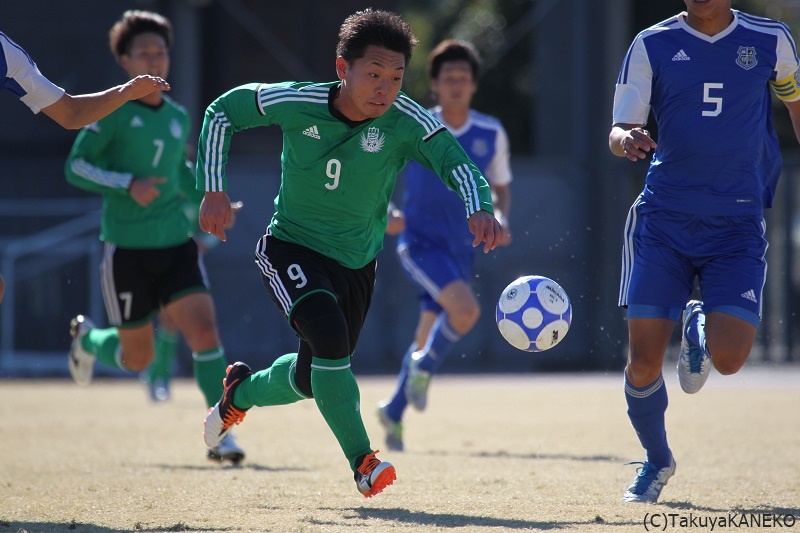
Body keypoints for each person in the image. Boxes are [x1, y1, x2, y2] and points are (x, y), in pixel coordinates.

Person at [197, 9, 504, 498]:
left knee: (310, 377)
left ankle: (241, 391)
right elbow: (222, 111)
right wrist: (211, 187)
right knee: (330, 338)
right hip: (290, 246)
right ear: (343, 68)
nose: (386, 88)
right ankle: (364, 462)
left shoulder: (406, 120)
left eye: (398, 77)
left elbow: (457, 162)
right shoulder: (298, 101)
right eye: (374, 75)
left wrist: (480, 207)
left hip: (357, 263)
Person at [609, 0, 800, 503]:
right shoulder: (652, 43)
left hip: (736, 225)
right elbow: (619, 127)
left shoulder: (771, 39)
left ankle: (696, 323)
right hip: (664, 221)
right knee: (644, 363)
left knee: (732, 359)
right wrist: (626, 138)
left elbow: (795, 104)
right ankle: (655, 461)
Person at [63, 10, 246, 464]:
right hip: (126, 251)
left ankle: (220, 433)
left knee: (204, 331)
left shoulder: (180, 116)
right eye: (143, 51)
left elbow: (179, 174)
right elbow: (76, 167)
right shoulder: (110, 114)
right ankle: (87, 340)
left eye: (161, 51)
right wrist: (128, 183)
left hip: (176, 245)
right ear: (125, 61)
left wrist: (213, 197)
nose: (154, 58)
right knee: (137, 358)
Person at [376, 39, 513, 451]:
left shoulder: (491, 132)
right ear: (434, 84)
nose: (456, 84)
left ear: (473, 85)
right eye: (447, 77)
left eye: (463, 78)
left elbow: (501, 189)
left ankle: (393, 411)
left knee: (426, 335)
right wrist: (389, 211)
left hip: (461, 250)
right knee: (466, 311)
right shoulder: (414, 126)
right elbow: (374, 171)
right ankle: (422, 369)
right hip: (419, 244)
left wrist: (502, 218)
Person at [0, 30, 169, 305]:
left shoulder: (4, 53)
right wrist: (128, 183)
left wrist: (126, 92)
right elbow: (76, 166)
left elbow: (71, 113)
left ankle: (89, 342)